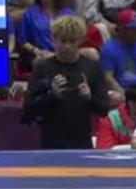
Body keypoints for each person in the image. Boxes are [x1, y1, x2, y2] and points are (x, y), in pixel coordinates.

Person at [20, 16, 111, 149]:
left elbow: (104, 109)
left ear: (81, 41)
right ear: (54, 40)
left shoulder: (92, 68)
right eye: (63, 41)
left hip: (82, 143)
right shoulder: (42, 68)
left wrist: (89, 98)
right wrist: (52, 96)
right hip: (51, 145)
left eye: (72, 41)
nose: (67, 46)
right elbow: (28, 112)